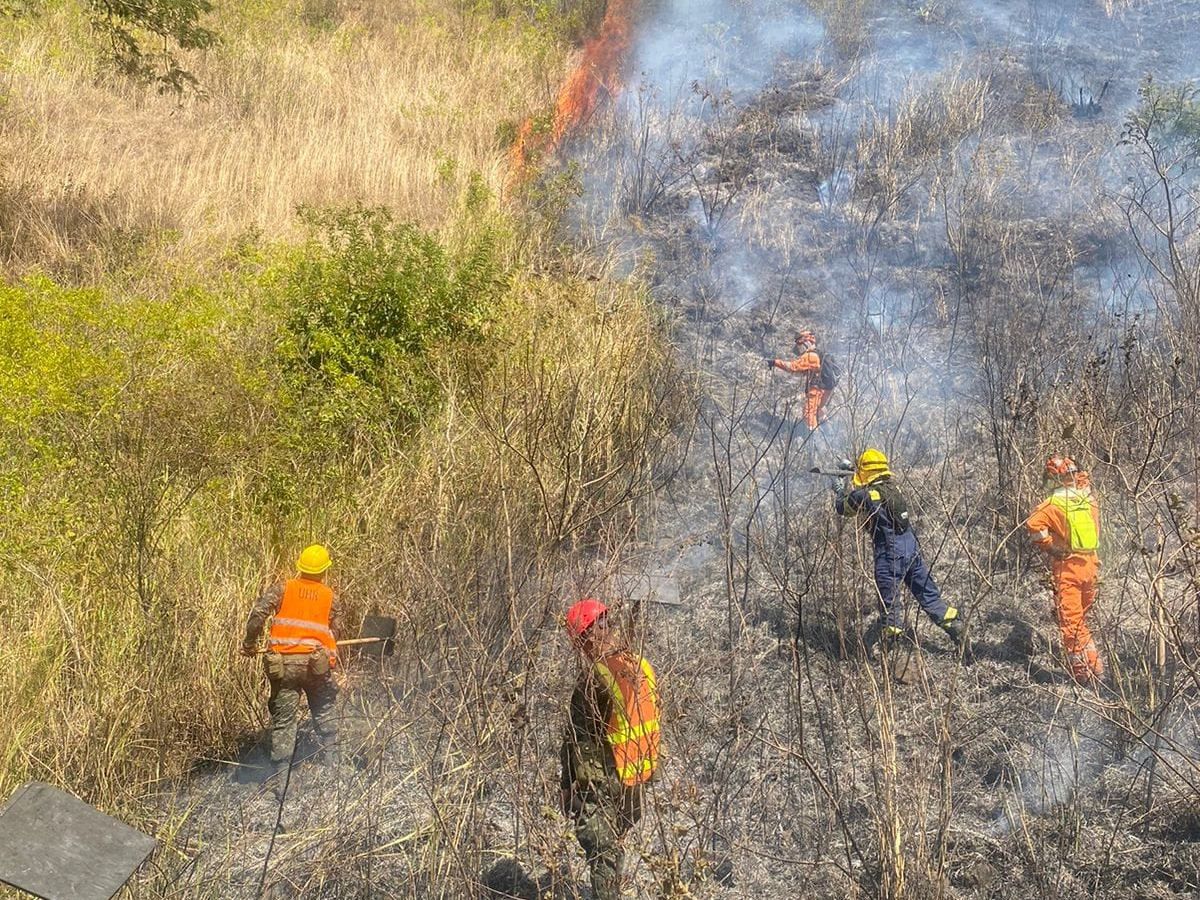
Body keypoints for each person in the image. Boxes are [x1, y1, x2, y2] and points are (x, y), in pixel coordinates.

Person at [560, 598, 661, 900]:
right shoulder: (642, 665)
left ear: (586, 637)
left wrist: (567, 788)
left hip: (605, 781)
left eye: (581, 639)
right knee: (615, 846)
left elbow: (576, 740)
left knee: (602, 856)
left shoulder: (594, 679)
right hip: (637, 777)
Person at [835, 449, 966, 655]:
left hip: (890, 554)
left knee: (890, 608)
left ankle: (891, 660)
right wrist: (853, 469)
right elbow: (871, 484)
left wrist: (839, 488)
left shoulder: (865, 495)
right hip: (911, 549)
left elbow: (843, 508)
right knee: (929, 597)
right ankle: (956, 627)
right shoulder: (893, 488)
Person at [242, 544, 343, 785]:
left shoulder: (283, 588)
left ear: (300, 567)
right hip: (315, 666)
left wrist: (249, 643)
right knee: (324, 708)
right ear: (324, 570)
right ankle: (332, 766)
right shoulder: (331, 597)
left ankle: (281, 780)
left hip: (284, 667)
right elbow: (335, 631)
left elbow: (258, 615)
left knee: (284, 720)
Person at [1025, 456, 1103, 684]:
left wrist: (1051, 548)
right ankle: (1097, 669)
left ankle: (1082, 677)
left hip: (1068, 568)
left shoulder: (1051, 505)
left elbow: (1033, 526)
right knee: (1082, 621)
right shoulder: (1088, 499)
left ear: (1053, 479)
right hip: (1092, 567)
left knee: (1071, 624)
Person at [767, 329, 831, 430]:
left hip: (816, 389)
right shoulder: (818, 353)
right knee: (818, 410)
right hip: (824, 389)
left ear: (806, 342)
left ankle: (815, 439)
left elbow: (792, 367)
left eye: (800, 345)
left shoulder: (810, 355)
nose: (799, 348)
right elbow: (802, 371)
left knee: (809, 413)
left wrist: (775, 362)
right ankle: (829, 433)